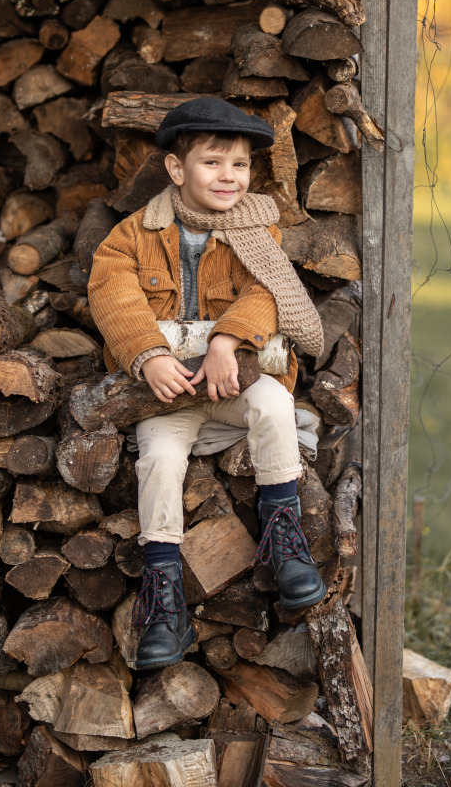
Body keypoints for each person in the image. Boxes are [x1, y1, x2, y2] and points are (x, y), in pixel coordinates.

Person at [88, 97, 326, 670]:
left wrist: (227, 341)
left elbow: (267, 290)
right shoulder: (133, 234)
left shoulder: (255, 229)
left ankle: (285, 538)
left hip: (228, 385)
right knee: (161, 461)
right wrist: (147, 356)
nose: (229, 177)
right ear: (176, 170)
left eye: (239, 165)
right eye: (213, 163)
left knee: (272, 401)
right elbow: (112, 293)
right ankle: (165, 596)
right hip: (166, 390)